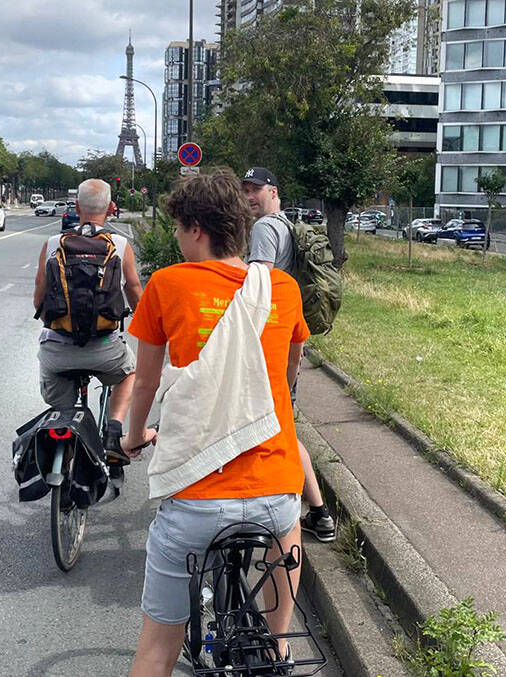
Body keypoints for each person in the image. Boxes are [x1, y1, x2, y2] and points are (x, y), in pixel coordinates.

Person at [122, 170, 308, 676]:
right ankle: (278, 648)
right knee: (286, 528)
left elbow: (144, 383)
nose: (180, 239)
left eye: (179, 229)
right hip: (274, 493)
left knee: (156, 650)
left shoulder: (167, 284)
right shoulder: (283, 288)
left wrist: (134, 437)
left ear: (196, 228)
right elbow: (285, 379)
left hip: (198, 503)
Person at [242, 166, 337, 543]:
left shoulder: (265, 228)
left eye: (256, 189)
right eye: (245, 189)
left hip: (270, 341)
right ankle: (320, 512)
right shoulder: (287, 223)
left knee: (279, 432)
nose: (250, 195)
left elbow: (258, 283)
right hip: (290, 335)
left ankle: (302, 511)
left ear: (274, 191)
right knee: (285, 430)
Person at [33, 178, 143, 465]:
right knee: (129, 373)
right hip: (104, 348)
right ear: (110, 209)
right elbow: (133, 290)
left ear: (77, 206)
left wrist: (58, 325)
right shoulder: (120, 244)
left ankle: (64, 428)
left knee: (59, 401)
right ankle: (113, 429)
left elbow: (39, 301)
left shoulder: (53, 243)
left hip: (59, 351)